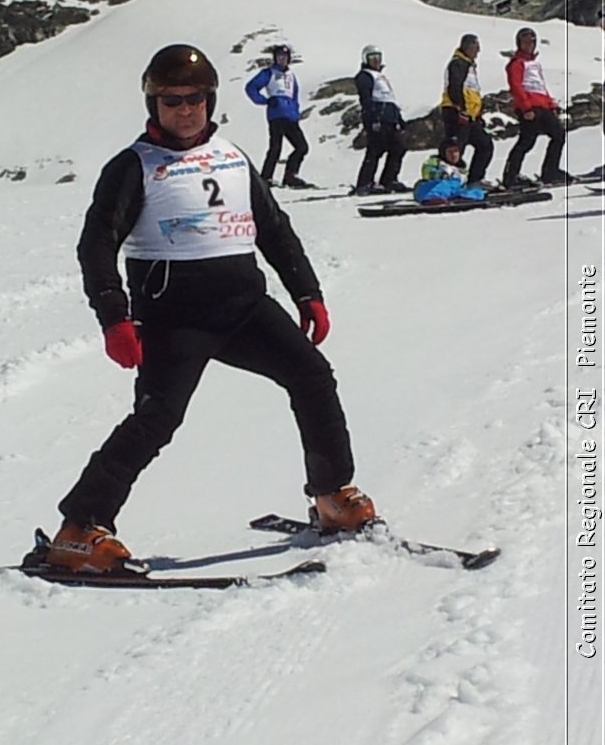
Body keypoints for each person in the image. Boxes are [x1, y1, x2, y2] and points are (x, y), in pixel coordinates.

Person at [44, 44, 375, 574]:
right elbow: (97, 244)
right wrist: (114, 317)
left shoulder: (230, 155)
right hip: (175, 318)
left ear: (210, 100)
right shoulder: (134, 166)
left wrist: (306, 292)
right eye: (171, 100)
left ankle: (332, 497)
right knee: (157, 419)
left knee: (312, 376)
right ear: (153, 104)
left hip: (244, 307)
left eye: (195, 98)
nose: (185, 109)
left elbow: (272, 227)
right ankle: (79, 529)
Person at [502, 27, 572, 187]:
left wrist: (550, 103)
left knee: (558, 134)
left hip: (542, 107)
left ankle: (550, 172)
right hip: (529, 108)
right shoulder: (516, 63)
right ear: (519, 44)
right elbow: (516, 86)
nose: (529, 45)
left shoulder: (534, 63)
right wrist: (526, 108)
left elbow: (540, 86)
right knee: (527, 141)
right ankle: (510, 176)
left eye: (532, 42)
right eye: (525, 42)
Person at [244, 44, 309, 189]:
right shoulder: (269, 73)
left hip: (290, 116)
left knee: (302, 147)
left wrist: (296, 113)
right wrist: (265, 100)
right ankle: (266, 178)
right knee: (275, 148)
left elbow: (294, 96)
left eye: (284, 57)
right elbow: (251, 87)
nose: (282, 60)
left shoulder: (291, 76)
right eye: (279, 57)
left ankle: (290, 176)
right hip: (276, 115)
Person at [353, 45, 408, 195]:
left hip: (390, 117)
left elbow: (389, 97)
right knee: (375, 150)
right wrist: (373, 118)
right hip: (377, 117)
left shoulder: (381, 76)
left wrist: (398, 118)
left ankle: (389, 179)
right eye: (372, 57)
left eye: (378, 57)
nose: (376, 60)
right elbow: (366, 98)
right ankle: (364, 183)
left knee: (398, 148)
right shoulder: (365, 75)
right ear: (366, 59)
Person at [439, 34, 493, 186]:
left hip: (470, 115)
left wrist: (477, 114)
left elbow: (472, 92)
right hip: (456, 112)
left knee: (484, 144)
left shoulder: (468, 66)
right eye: (476, 47)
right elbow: (454, 87)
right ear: (467, 47)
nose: (478, 51)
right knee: (454, 149)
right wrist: (460, 108)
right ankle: (445, 181)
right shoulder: (458, 64)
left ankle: (475, 179)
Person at [414, 137, 486, 205]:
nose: (453, 155)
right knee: (444, 185)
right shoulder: (435, 162)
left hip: (451, 191)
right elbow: (427, 172)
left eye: (456, 151)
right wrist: (440, 173)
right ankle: (432, 198)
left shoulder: (461, 169)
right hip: (431, 188)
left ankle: (462, 198)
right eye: (450, 152)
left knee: (475, 190)